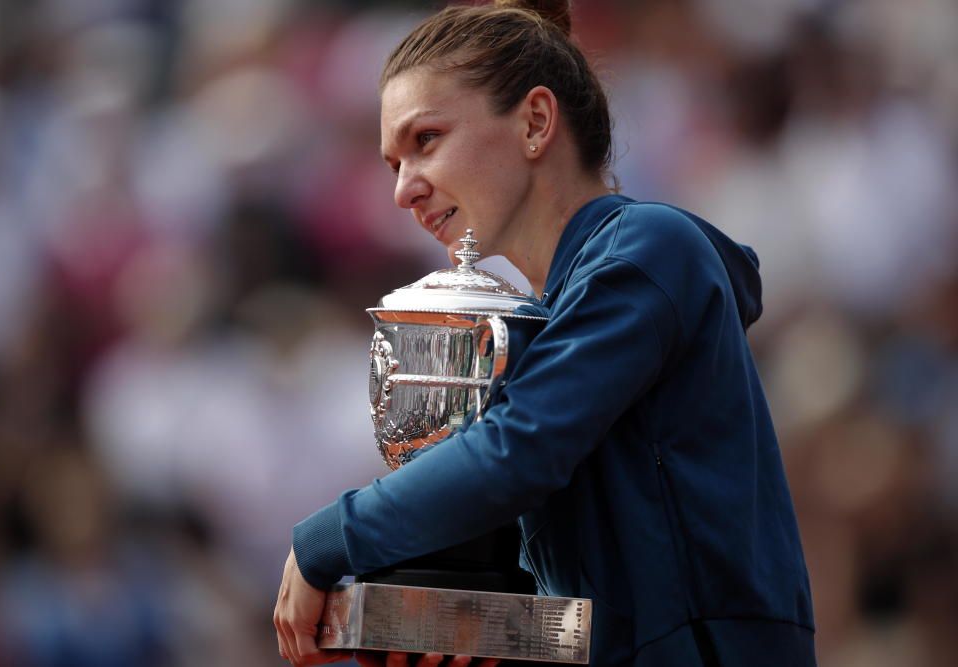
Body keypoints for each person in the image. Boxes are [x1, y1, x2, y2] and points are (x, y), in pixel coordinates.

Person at [273, 1, 817, 665]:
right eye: (392, 164)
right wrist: (447, 629)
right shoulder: (559, 311)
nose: (404, 191)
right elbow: (591, 625)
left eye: (426, 140)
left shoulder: (648, 248)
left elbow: (516, 453)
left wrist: (326, 540)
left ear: (534, 122)